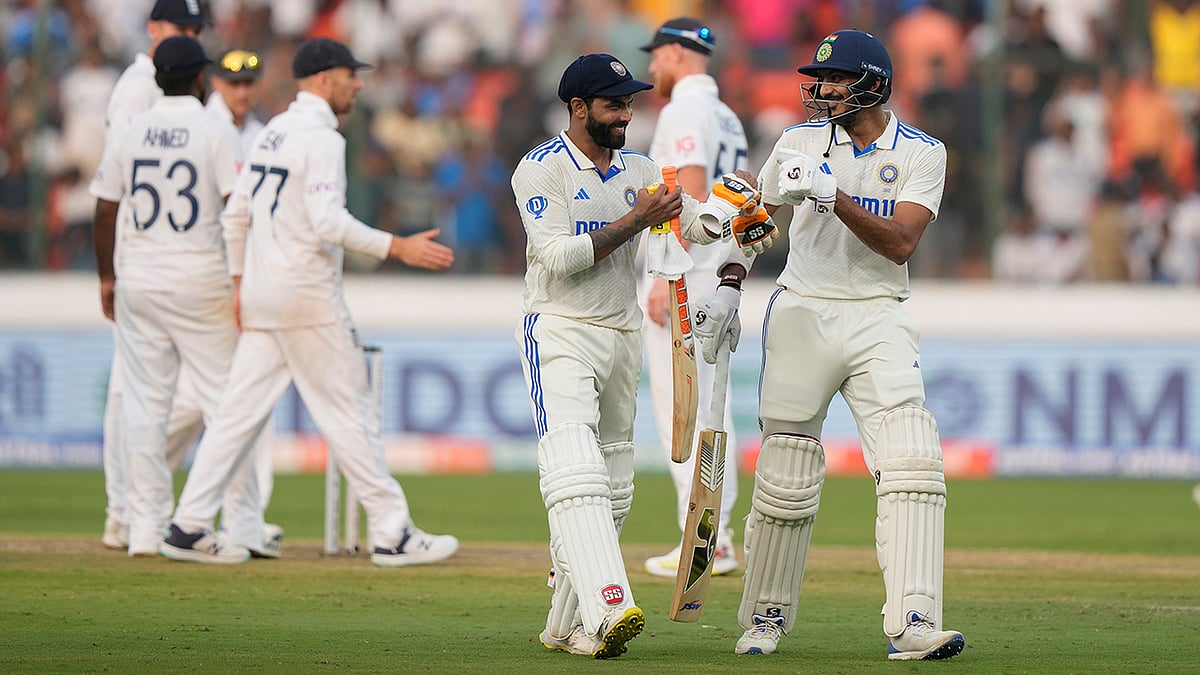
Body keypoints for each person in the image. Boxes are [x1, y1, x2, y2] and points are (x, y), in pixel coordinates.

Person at [689, 29, 966, 660]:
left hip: (879, 315)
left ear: (872, 83)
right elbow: (754, 221)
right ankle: (764, 618)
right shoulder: (796, 141)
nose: (820, 91)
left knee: (913, 467)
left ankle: (914, 621)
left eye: (835, 80)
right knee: (785, 476)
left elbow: (900, 244)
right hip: (803, 311)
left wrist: (829, 195)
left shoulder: (924, 153)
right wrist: (729, 286)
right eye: (818, 80)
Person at [510, 53, 771, 659]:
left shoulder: (642, 167)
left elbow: (678, 240)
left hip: (623, 334)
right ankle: (609, 604)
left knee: (617, 487)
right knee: (575, 470)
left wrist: (731, 218)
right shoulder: (540, 169)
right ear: (578, 107)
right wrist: (636, 218)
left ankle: (564, 626)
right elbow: (557, 259)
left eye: (630, 103)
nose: (626, 113)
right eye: (613, 104)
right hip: (561, 327)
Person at [160, 38, 459, 567]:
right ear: (324, 80)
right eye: (351, 75)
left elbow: (236, 218)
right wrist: (398, 245)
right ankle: (393, 531)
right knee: (350, 414)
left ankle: (188, 524)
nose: (359, 84)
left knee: (235, 416)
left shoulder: (271, 131)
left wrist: (238, 286)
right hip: (307, 297)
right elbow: (327, 223)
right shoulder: (321, 138)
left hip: (262, 293)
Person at [89, 35, 243, 557]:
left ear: (157, 79)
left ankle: (144, 530)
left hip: (139, 279)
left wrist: (107, 279)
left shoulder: (130, 130)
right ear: (201, 79)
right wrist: (241, 276)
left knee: (144, 409)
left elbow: (106, 209)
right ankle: (228, 522)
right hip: (200, 279)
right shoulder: (215, 128)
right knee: (228, 406)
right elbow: (235, 208)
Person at [637, 16, 747, 579]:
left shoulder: (682, 109)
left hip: (688, 273)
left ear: (678, 54)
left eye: (657, 55)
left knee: (680, 411)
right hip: (717, 273)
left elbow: (692, 189)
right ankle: (717, 537)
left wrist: (665, 271)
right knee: (711, 408)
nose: (652, 66)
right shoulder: (726, 114)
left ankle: (706, 542)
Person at [97, 0, 206, 551]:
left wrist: (111, 274)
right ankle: (127, 512)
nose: (185, 35)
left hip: (141, 266)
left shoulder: (147, 87)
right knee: (138, 395)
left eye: (192, 29)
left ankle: (136, 519)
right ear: (153, 29)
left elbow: (109, 192)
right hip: (167, 263)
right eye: (179, 27)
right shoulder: (141, 86)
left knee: (141, 398)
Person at [207, 49, 267, 157]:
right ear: (215, 83)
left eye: (249, 83)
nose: (242, 94)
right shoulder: (204, 129)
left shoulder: (261, 134)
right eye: (234, 84)